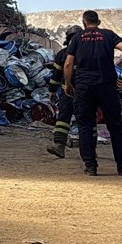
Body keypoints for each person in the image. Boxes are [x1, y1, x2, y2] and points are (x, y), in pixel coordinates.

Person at [63, 10, 122, 176]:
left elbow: (68, 64)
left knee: (86, 126)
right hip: (107, 86)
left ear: (84, 22)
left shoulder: (77, 38)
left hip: (84, 87)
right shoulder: (108, 35)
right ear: (99, 21)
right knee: (115, 126)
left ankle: (91, 166)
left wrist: (68, 83)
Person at [45, 25, 84, 158]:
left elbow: (56, 75)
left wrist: (52, 90)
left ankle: (60, 146)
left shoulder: (63, 53)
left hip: (70, 93)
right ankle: (89, 149)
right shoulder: (88, 52)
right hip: (83, 93)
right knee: (85, 120)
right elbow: (56, 74)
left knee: (64, 118)